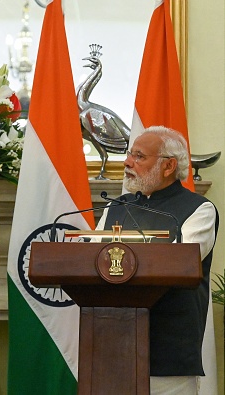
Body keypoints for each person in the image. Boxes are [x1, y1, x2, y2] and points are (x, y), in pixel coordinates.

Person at [96, 126, 218, 395]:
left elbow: (180, 262)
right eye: (130, 154)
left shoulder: (198, 209)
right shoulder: (116, 207)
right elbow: (92, 262)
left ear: (168, 166)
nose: (128, 162)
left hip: (169, 353)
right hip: (112, 349)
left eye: (139, 156)